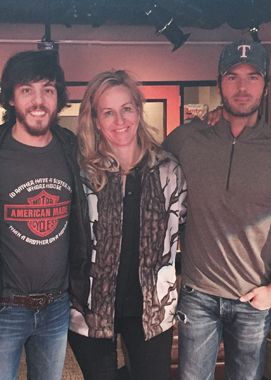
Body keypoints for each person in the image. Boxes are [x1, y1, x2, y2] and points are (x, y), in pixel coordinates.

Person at [163, 40, 271, 380]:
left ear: (267, 86)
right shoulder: (185, 140)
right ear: (218, 84)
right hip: (197, 295)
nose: (242, 87)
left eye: (253, 77)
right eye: (232, 77)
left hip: (253, 300)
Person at [0, 50, 90, 380]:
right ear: (11, 98)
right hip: (4, 307)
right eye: (27, 90)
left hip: (57, 306)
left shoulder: (71, 148)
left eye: (47, 89)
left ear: (58, 97)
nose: (38, 101)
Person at [67, 70, 187, 380]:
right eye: (108, 112)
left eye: (126, 108)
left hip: (152, 310)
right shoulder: (80, 173)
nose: (119, 120)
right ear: (95, 119)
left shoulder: (168, 169)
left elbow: (182, 229)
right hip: (92, 311)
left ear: (138, 110)